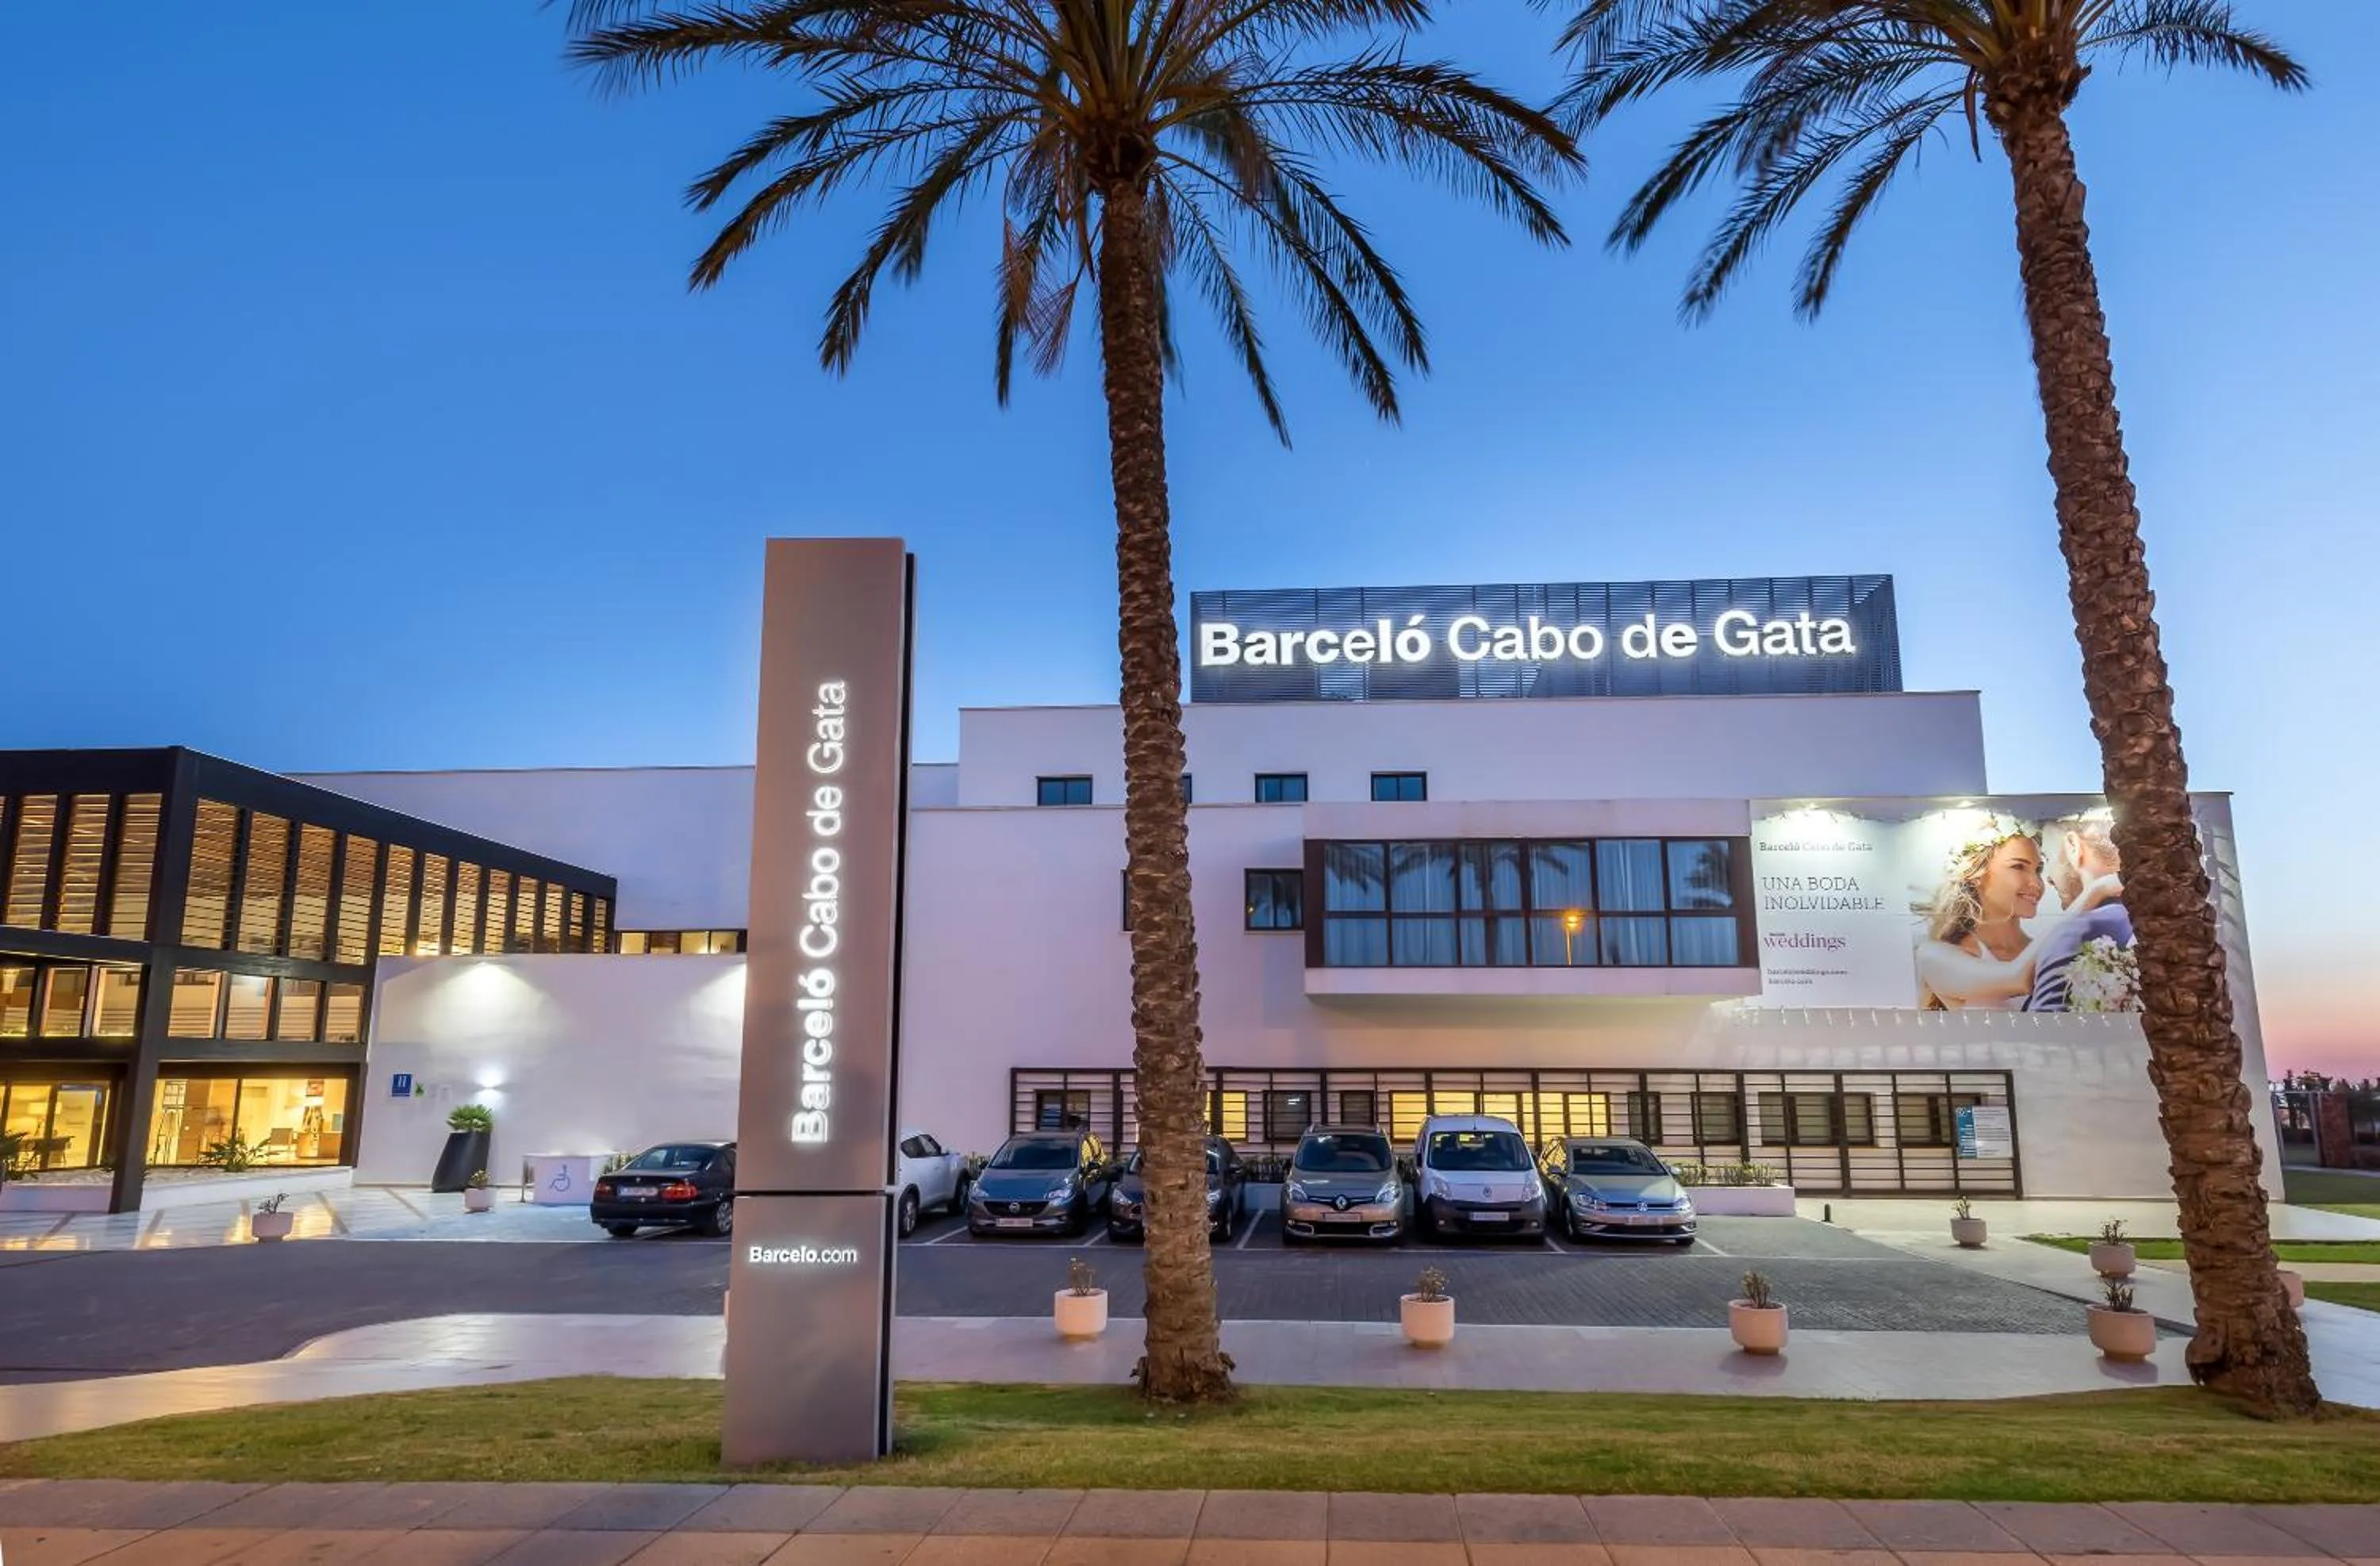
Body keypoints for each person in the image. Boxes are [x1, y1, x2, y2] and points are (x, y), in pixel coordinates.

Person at [1915, 826, 2121, 1010]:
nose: (2036, 883)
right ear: (1976, 874)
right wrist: (2095, 891)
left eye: (2038, 870)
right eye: (2018, 867)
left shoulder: (2049, 946)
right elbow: (2018, 977)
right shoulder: (1935, 956)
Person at [2026, 813, 2133, 1012]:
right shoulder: (2160, 925)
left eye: (2048, 858)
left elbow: (2044, 1032)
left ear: (2073, 846)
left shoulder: (2077, 932)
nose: (2048, 879)